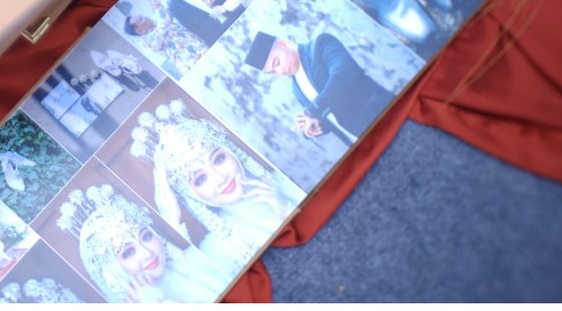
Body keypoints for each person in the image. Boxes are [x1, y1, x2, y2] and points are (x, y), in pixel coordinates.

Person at [130, 99, 297, 266]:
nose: (220, 178)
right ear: (189, 194)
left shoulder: (285, 181)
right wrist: (171, 219)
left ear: (230, 151)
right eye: (201, 179)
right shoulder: (217, 249)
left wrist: (284, 209)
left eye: (219, 159)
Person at [55, 183, 227, 303]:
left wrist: (173, 220)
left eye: (145, 237)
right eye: (128, 252)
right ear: (111, 270)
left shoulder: (197, 258)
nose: (147, 253)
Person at [244, 30, 394, 144]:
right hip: (359, 141)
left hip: (384, 115)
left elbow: (344, 73)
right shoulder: (296, 89)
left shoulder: (320, 45)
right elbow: (332, 117)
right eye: (273, 72)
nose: (280, 71)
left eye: (276, 63)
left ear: (283, 43)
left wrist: (311, 110)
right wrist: (313, 126)